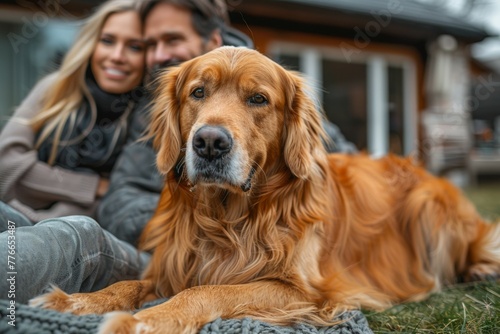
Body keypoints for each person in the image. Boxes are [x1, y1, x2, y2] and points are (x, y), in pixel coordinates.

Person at [0, 0, 356, 304]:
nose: (156, 55)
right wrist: (189, 223)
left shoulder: (272, 90)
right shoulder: (163, 99)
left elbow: (335, 162)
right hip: (154, 243)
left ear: (211, 39)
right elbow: (120, 199)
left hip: (94, 238)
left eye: (171, 39)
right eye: (149, 43)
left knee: (73, 235)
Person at [0, 0, 149, 303]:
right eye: (108, 41)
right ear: (91, 43)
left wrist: (37, 179)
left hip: (82, 242)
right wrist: (92, 186)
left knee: (63, 237)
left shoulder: (145, 116)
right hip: (16, 214)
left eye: (134, 47)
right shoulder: (56, 87)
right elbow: (7, 162)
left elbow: (110, 206)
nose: (117, 56)